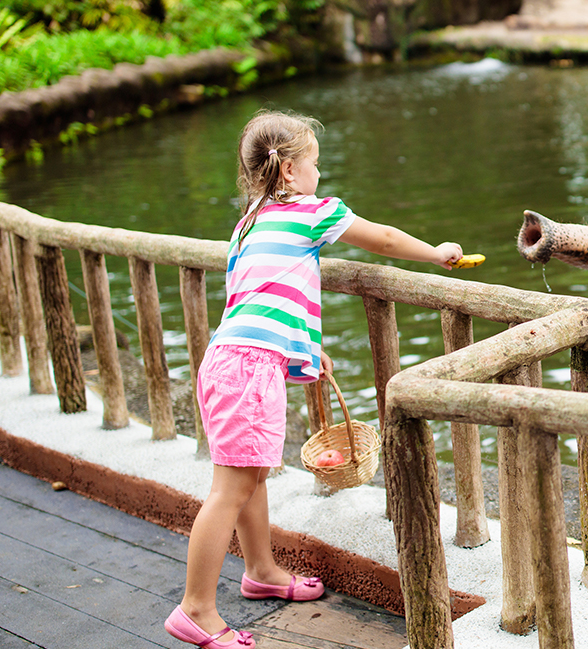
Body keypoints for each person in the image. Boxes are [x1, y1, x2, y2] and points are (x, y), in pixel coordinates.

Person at [165, 110, 463, 648]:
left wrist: (305, 349)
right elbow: (386, 239)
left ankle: (262, 571)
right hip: (248, 366)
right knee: (228, 490)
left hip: (232, 359)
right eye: (315, 164)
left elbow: (260, 296)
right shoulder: (312, 212)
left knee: (251, 476)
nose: (320, 175)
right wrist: (434, 252)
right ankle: (196, 609)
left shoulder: (248, 222)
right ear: (288, 173)